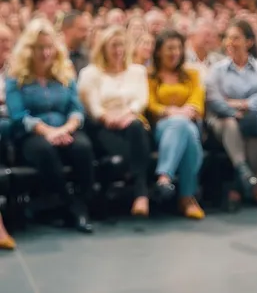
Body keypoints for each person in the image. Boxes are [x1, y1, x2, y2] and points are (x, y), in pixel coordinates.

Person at [4, 18, 95, 233]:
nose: (45, 53)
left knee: (83, 148)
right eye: (39, 48)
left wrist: (64, 129)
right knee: (44, 151)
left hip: (65, 129)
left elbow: (75, 109)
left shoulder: (64, 73)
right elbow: (18, 116)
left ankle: (81, 203)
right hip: (31, 134)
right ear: (29, 50)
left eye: (49, 48)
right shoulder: (16, 78)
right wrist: (48, 132)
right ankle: (72, 208)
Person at [78, 26, 153, 217]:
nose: (118, 50)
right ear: (103, 48)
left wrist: (128, 113)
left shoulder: (137, 71)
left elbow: (141, 99)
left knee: (137, 126)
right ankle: (141, 191)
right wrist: (107, 116)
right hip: (102, 125)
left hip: (130, 123)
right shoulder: (91, 73)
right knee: (137, 139)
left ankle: (140, 194)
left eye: (122, 45)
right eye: (113, 46)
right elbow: (92, 104)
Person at [205, 20, 257, 209]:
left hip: (252, 118)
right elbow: (214, 99)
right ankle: (250, 179)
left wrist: (242, 104)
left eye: (236, 38)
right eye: (228, 38)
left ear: (249, 42)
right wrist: (233, 112)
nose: (230, 42)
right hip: (223, 120)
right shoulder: (217, 69)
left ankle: (242, 184)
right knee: (231, 125)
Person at [147, 29, 205, 220]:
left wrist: (184, 112)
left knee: (186, 129)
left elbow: (198, 101)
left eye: (179, 48)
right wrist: (169, 111)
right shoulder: (150, 76)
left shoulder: (192, 74)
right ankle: (187, 198)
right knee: (183, 126)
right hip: (162, 127)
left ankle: (164, 177)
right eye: (170, 48)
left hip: (188, 122)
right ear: (158, 52)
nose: (175, 53)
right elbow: (150, 104)